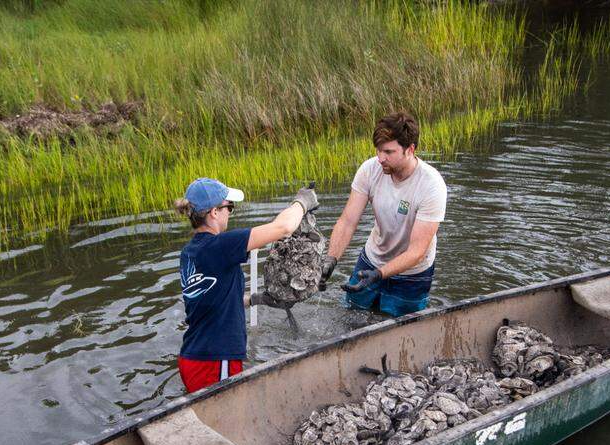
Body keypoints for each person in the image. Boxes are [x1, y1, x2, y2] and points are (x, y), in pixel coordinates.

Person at [176, 178, 318, 393]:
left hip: (194, 356)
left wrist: (256, 300)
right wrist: (301, 202)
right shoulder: (220, 245)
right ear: (214, 212)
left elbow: (212, 300)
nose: (229, 213)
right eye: (229, 207)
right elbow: (283, 228)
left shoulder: (190, 252)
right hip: (215, 360)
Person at [317, 111, 447, 317]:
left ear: (410, 149)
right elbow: (348, 221)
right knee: (350, 317)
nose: (380, 158)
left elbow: (417, 252)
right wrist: (330, 260)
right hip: (372, 258)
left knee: (399, 330)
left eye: (388, 152)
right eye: (378, 150)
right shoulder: (370, 170)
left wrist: (379, 275)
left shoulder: (432, 186)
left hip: (412, 273)